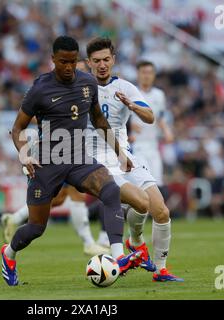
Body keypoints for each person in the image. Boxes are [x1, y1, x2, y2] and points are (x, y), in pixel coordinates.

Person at [1, 36, 143, 286]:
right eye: (63, 62)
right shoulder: (40, 88)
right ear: (53, 60)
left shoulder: (88, 82)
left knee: (110, 190)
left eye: (72, 62)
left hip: (79, 158)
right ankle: (9, 254)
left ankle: (118, 256)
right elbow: (17, 128)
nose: (68, 67)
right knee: (36, 228)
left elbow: (98, 119)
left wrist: (120, 152)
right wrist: (25, 154)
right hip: (47, 163)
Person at [85, 37, 183, 282]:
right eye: (96, 61)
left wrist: (133, 106)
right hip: (96, 162)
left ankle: (159, 267)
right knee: (141, 203)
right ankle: (133, 243)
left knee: (160, 210)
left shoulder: (126, 87)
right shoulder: (82, 88)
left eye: (106, 59)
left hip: (125, 156)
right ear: (89, 63)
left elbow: (150, 116)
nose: (102, 65)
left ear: (113, 59)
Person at [131, 61, 174, 196]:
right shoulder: (131, 92)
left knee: (157, 184)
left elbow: (160, 117)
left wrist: (167, 131)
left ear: (154, 75)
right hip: (136, 145)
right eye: (144, 72)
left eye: (150, 72)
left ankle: (157, 216)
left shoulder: (159, 95)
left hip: (153, 145)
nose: (147, 76)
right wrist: (128, 126)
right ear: (138, 74)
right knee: (143, 183)